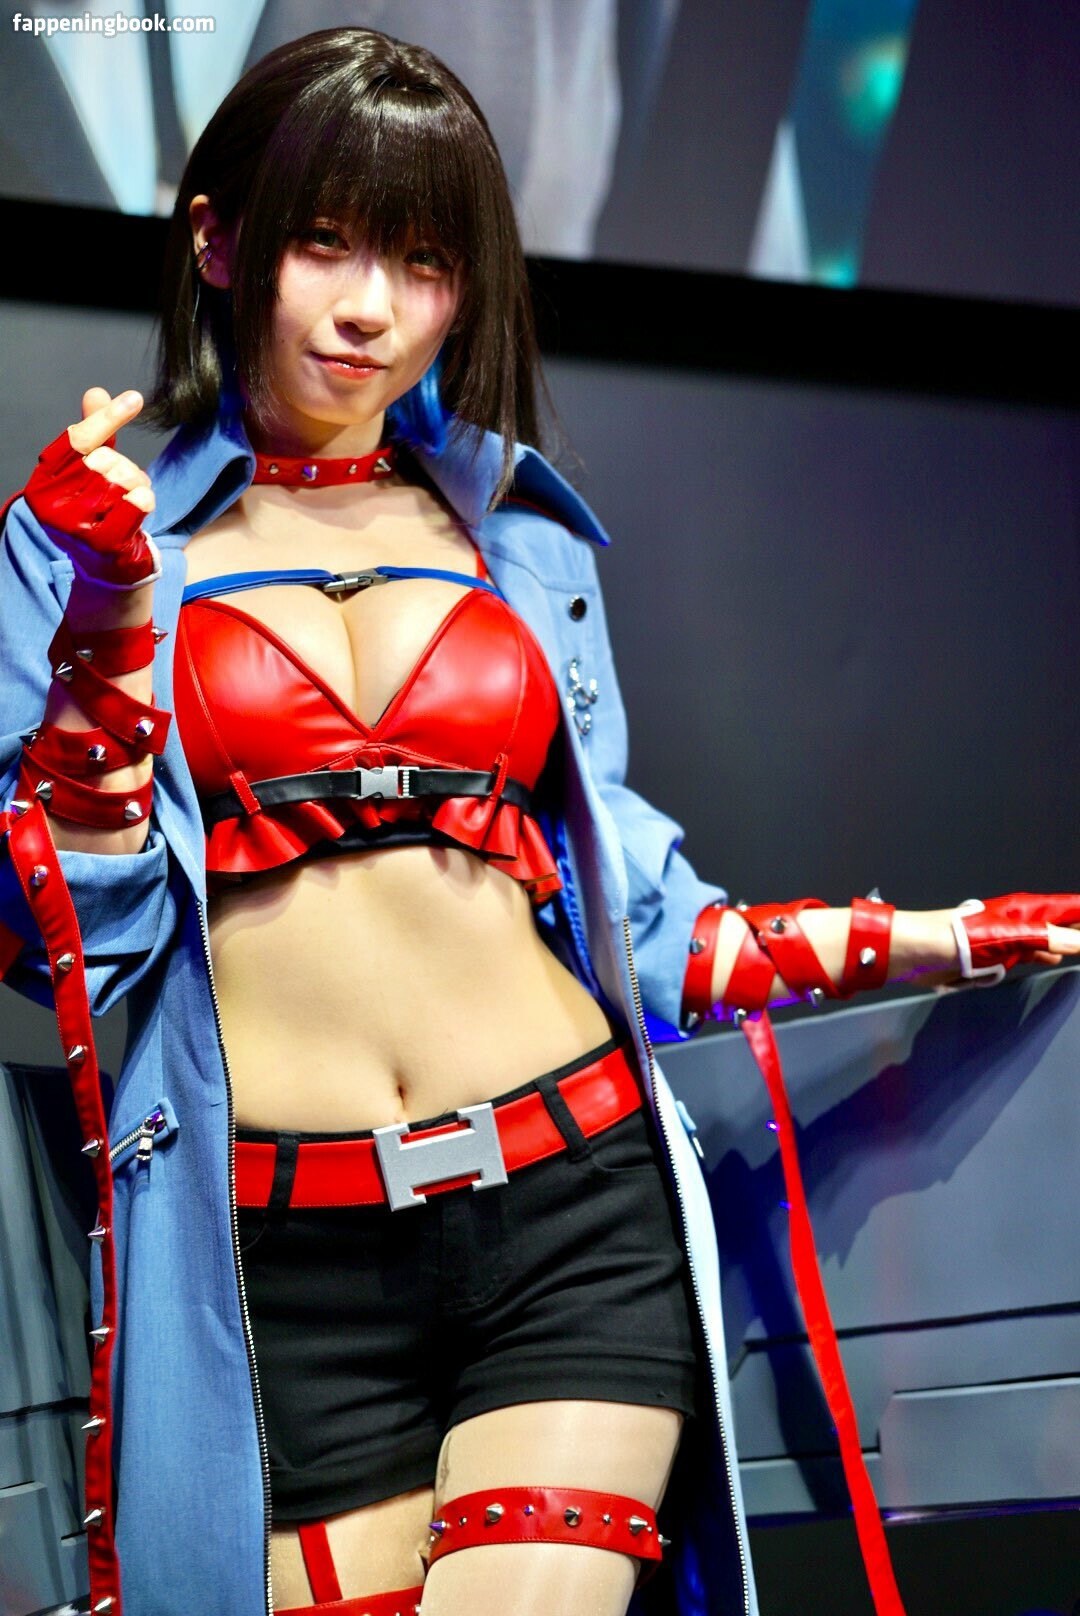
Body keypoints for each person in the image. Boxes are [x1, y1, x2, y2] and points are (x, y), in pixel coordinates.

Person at [2, 27, 1078, 1616]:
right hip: (272, 1282)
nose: (371, 308)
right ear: (221, 243)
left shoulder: (523, 535)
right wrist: (104, 625)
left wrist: (929, 937)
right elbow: (63, 951)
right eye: (325, 243)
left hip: (571, 1214)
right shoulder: (86, 541)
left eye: (424, 262)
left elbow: (635, 916)